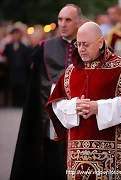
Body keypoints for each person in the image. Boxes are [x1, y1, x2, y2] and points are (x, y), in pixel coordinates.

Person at [46, 22, 121, 180]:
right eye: (78, 44)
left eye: (85, 44)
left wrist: (99, 108)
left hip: (112, 155)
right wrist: (74, 106)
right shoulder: (71, 72)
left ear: (100, 42)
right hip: (77, 156)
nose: (81, 49)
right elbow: (56, 103)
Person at [10, 4, 83, 180]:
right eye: (60, 19)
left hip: (82, 120)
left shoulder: (90, 47)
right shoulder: (44, 48)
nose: (62, 24)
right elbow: (36, 90)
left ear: (79, 23)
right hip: (50, 120)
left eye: (68, 20)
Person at [2, 28, 30, 107]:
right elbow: (5, 57)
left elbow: (27, 57)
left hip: (22, 70)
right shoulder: (8, 46)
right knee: (13, 86)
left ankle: (21, 102)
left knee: (22, 86)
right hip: (12, 70)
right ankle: (14, 102)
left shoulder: (24, 46)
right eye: (14, 34)